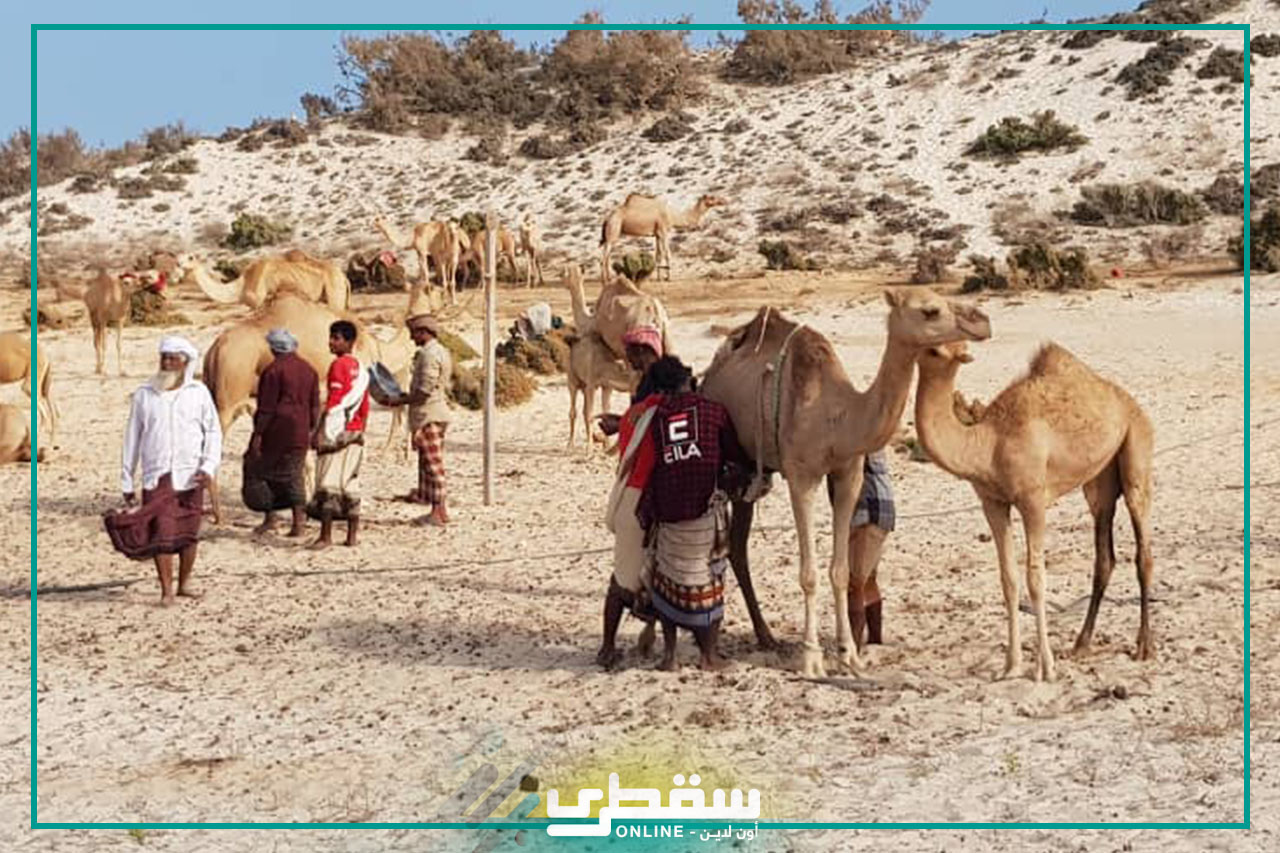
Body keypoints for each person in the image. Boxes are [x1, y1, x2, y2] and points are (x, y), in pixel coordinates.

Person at [637, 357, 749, 671]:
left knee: (667, 583)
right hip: (703, 514)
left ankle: (670, 656)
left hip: (667, 514)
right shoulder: (713, 411)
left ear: (660, 390)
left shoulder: (656, 419)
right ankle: (708, 656)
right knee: (709, 582)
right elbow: (735, 456)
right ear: (688, 379)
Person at [115, 336, 222, 605]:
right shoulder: (144, 394)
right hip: (157, 475)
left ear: (185, 363)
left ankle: (184, 584)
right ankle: (166, 591)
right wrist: (127, 479)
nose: (167, 363)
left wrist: (208, 465)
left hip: (191, 475)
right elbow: (132, 438)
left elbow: (213, 431)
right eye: (164, 358)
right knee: (160, 533)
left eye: (173, 359)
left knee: (189, 533)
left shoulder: (198, 393)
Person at [243, 328, 319, 537]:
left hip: (276, 432)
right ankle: (298, 522)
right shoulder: (309, 370)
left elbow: (266, 408)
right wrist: (312, 429)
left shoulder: (273, 371)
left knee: (260, 471)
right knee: (294, 474)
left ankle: (271, 518)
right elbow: (314, 405)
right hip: (300, 431)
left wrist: (258, 435)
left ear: (274, 348)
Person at [307, 320, 370, 549]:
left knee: (328, 483)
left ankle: (325, 537)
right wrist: (360, 429)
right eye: (331, 337)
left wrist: (320, 431)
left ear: (349, 341)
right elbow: (364, 405)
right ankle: (351, 537)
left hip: (337, 430)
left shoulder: (338, 366)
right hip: (355, 431)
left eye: (336, 338)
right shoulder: (361, 369)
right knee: (350, 483)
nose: (331, 342)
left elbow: (334, 402)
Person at [387, 313, 453, 527]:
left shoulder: (428, 355)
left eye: (414, 333)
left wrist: (401, 399)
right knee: (428, 463)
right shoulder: (440, 351)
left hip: (428, 415)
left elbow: (424, 391)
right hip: (434, 412)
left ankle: (438, 511)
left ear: (424, 332)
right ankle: (437, 508)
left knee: (433, 465)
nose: (412, 338)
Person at [848, 450, 896, 649]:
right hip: (881, 508)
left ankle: (853, 646)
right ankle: (875, 641)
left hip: (867, 509)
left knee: (855, 583)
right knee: (868, 580)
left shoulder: (858, 440)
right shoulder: (875, 440)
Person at [596, 324, 664, 439]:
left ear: (641, 351)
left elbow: (657, 419)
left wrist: (619, 425)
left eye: (629, 352)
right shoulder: (646, 381)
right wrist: (621, 420)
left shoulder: (662, 380)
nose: (627, 358)